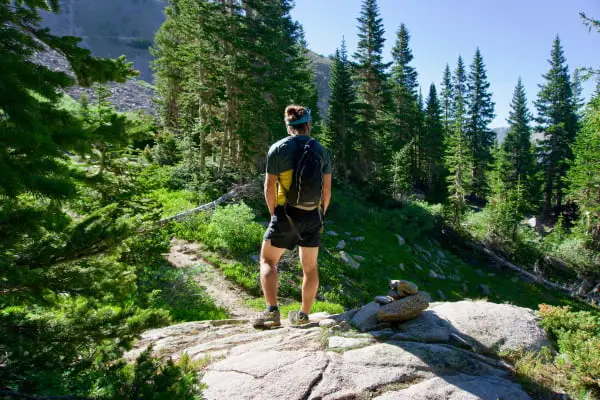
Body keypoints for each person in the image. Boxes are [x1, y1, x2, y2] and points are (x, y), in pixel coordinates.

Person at [252, 105, 332, 328]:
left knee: (268, 260)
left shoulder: (278, 148)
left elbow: (269, 188)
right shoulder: (322, 150)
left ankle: (272, 313)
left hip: (286, 214)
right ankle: (303, 316)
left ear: (289, 126)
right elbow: (327, 191)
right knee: (310, 267)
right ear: (309, 124)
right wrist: (319, 215)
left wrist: (274, 215)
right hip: (313, 216)